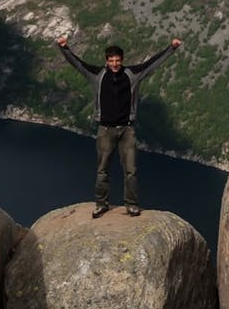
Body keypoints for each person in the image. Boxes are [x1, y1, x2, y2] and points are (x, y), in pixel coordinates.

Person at [56, 35, 182, 218]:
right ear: (106, 61)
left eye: (117, 60)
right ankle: (101, 204)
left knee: (131, 171)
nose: (115, 64)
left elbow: (153, 63)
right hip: (105, 130)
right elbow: (78, 64)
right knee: (102, 170)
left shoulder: (132, 74)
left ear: (122, 60)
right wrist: (64, 48)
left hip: (126, 130)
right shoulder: (97, 75)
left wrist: (172, 48)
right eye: (111, 60)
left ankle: (131, 205)